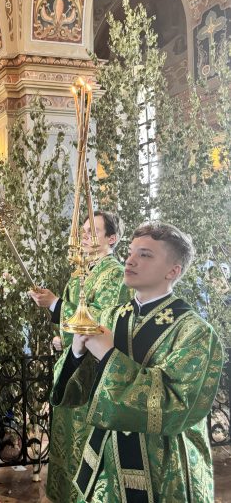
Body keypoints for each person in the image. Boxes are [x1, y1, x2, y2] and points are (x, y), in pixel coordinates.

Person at [52, 222, 224, 502]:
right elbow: (76, 394)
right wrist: (76, 353)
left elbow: (176, 406)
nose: (130, 260)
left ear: (173, 271)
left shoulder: (195, 332)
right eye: (131, 252)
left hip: (164, 469)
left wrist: (109, 355)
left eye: (145, 255)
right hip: (106, 464)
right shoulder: (109, 317)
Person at [30, 210, 131, 503]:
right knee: (66, 442)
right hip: (72, 366)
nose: (84, 236)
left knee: (87, 447)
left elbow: (102, 319)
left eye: (93, 231)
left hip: (94, 375)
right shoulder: (80, 273)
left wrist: (55, 304)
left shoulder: (115, 274)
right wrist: (61, 333)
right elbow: (73, 316)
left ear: (112, 238)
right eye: (83, 230)